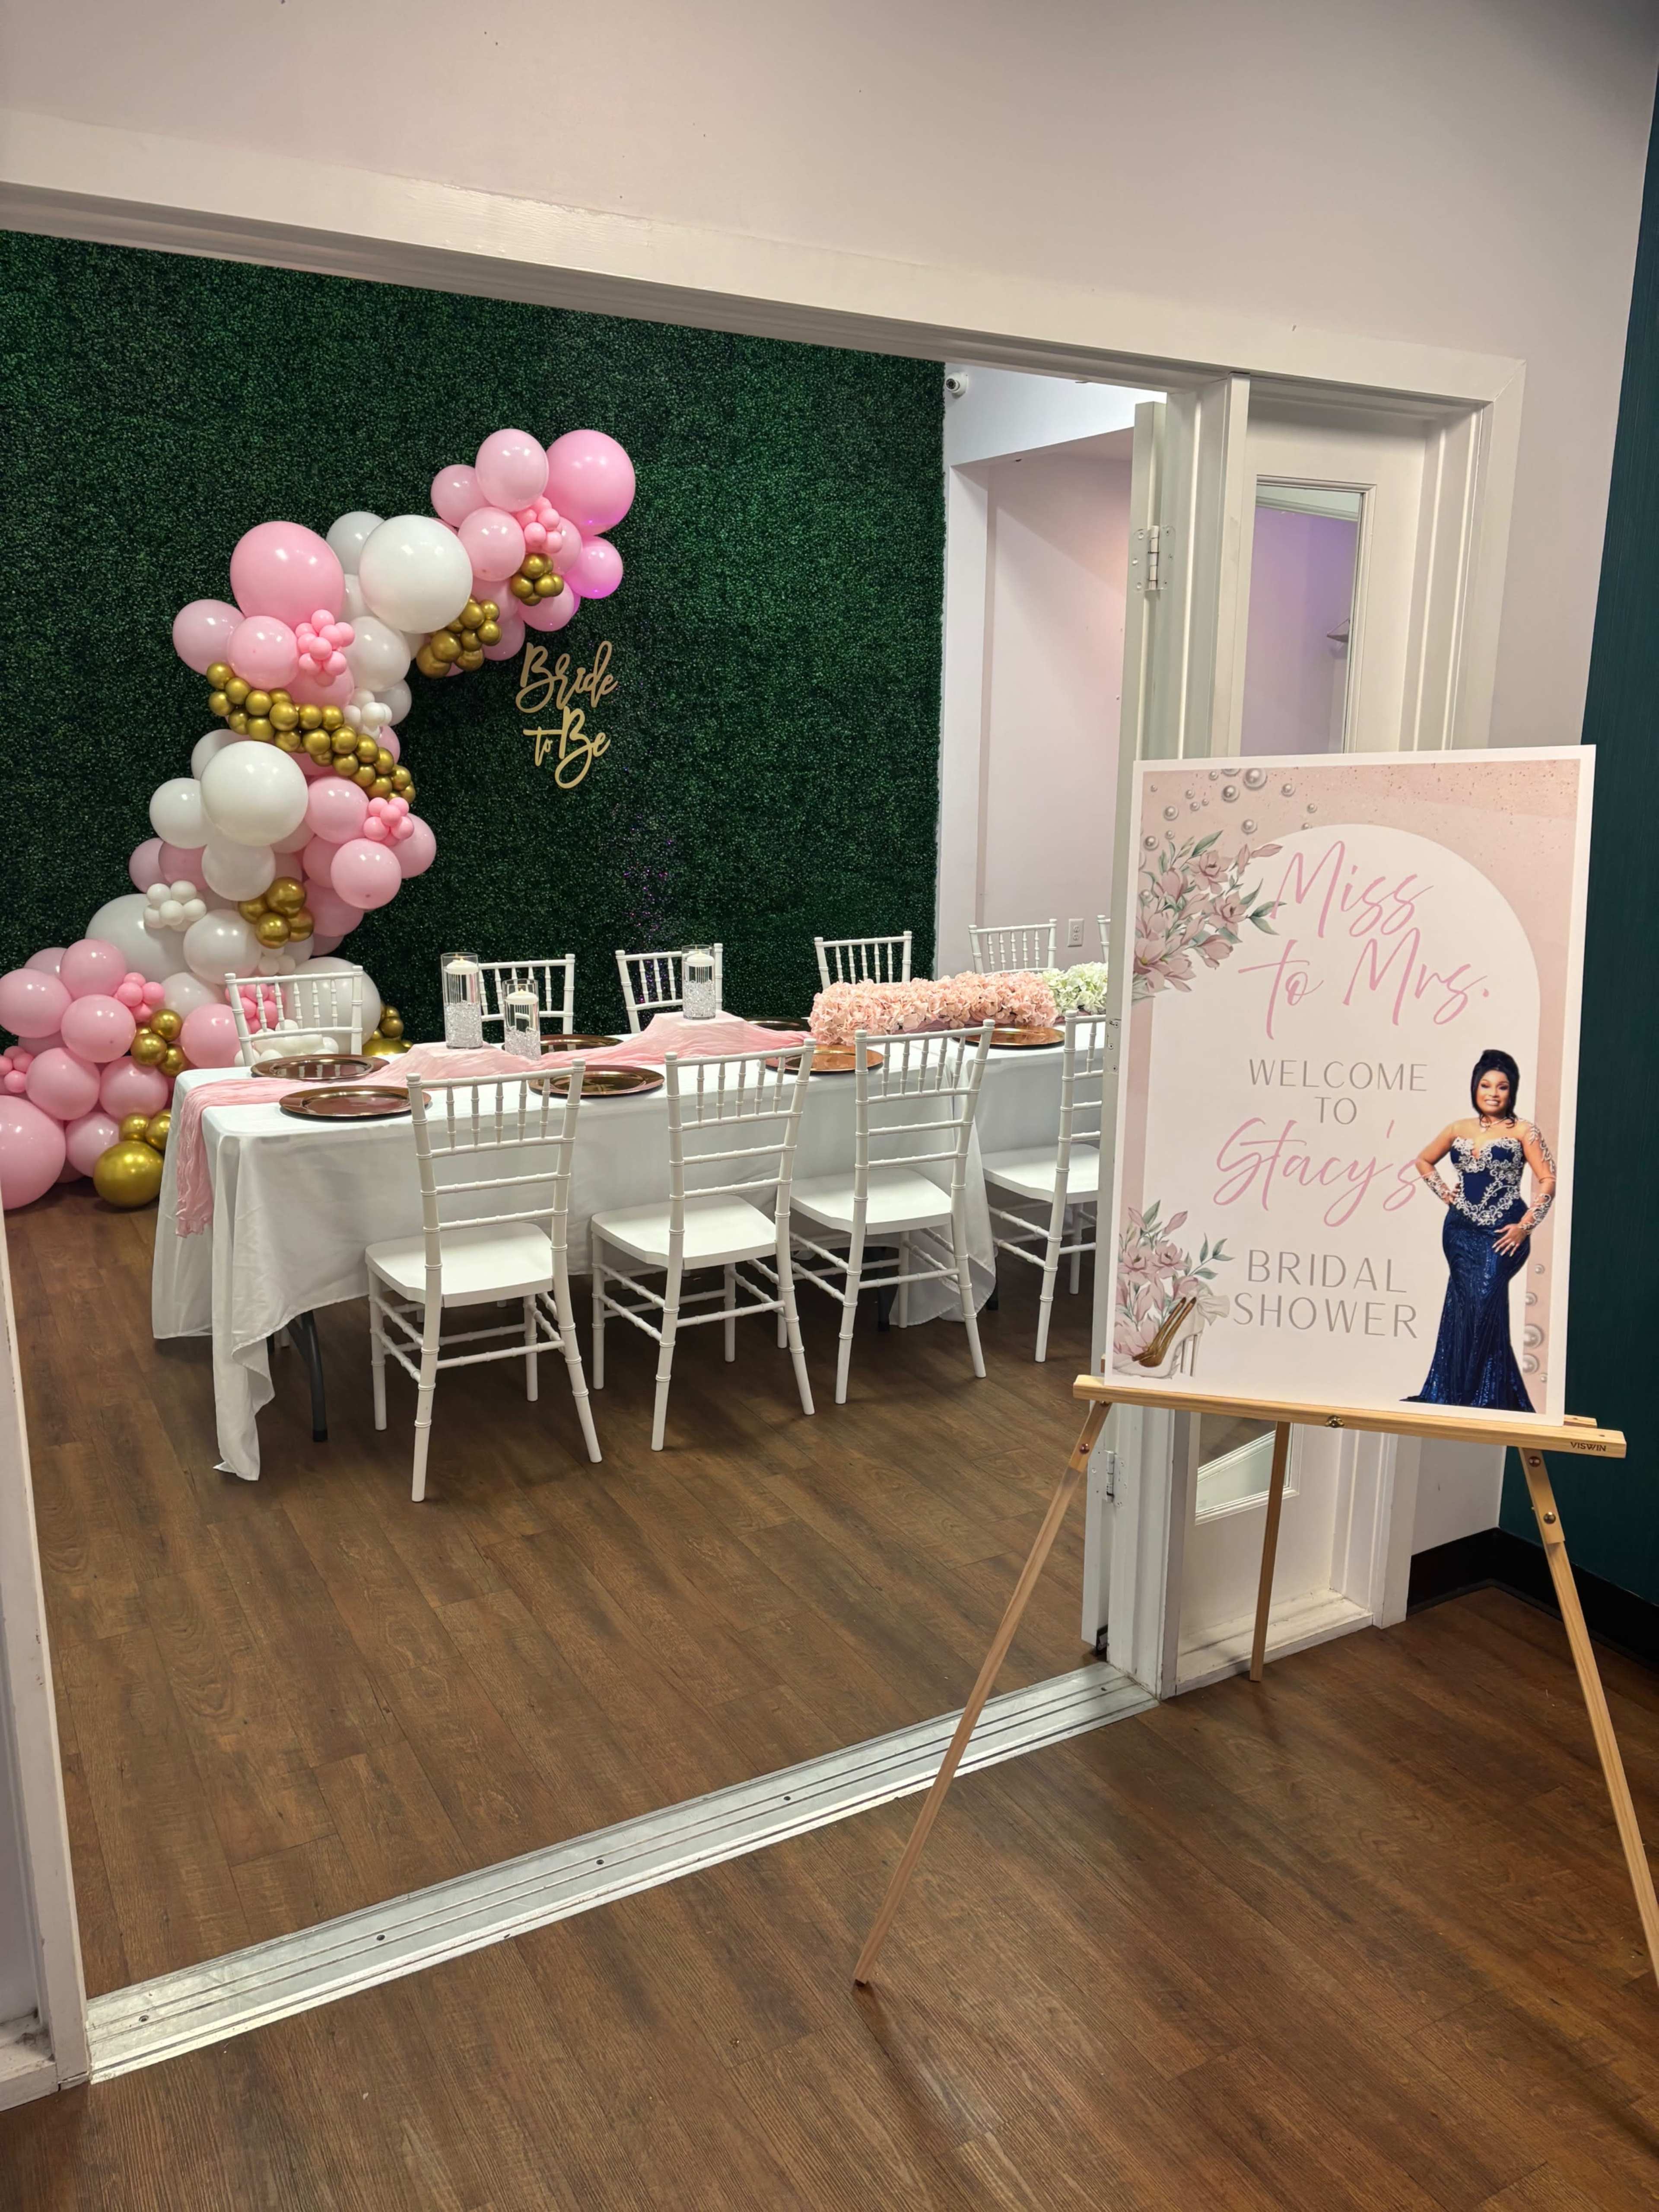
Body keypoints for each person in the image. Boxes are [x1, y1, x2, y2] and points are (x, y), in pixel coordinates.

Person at [1407, 1049, 1556, 1411]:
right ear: (1475, 1087)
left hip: (1504, 1234)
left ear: (1512, 1091)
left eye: (1502, 1087)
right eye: (1486, 1085)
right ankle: (1459, 1394)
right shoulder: (1458, 1128)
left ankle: (1483, 1396)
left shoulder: (1524, 1131)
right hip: (1460, 1232)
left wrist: (1524, 1228)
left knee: (1484, 1302)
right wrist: (1447, 1196)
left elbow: (1548, 1180)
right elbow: (1423, 1160)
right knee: (1464, 1307)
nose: (1493, 1092)